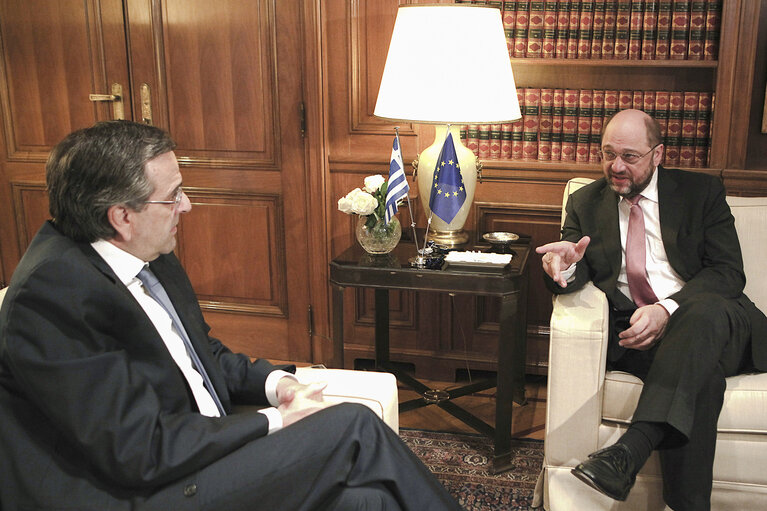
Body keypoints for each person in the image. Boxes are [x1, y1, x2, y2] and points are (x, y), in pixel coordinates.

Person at [0, 120, 463, 511]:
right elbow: (137, 451)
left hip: (190, 455)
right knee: (353, 424)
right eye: (173, 196)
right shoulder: (52, 296)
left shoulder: (147, 251)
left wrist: (278, 386)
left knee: (368, 501)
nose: (187, 206)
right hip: (140, 492)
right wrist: (277, 420)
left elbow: (202, 356)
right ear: (122, 216)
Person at [536, 109, 767, 510]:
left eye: (629, 156)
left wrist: (668, 309)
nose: (616, 166)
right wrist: (565, 265)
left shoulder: (701, 193)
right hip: (640, 334)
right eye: (608, 153)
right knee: (702, 381)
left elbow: (729, 273)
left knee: (700, 313)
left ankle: (630, 449)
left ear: (657, 155)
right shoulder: (585, 203)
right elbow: (574, 267)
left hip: (721, 322)